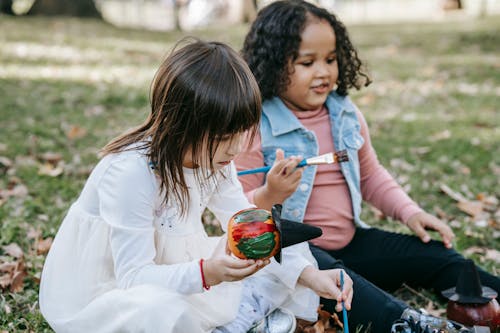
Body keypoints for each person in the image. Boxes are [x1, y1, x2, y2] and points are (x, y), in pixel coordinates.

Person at [39, 38, 353, 333]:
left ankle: (237, 319)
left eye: (242, 133)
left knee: (280, 241)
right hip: (107, 290)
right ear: (180, 126)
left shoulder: (216, 161)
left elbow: (246, 220)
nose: (234, 150)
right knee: (158, 308)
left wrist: (311, 276)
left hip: (173, 267)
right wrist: (207, 273)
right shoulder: (130, 173)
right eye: (221, 139)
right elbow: (133, 278)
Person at [235, 1, 500, 333]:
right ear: (273, 64)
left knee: (436, 255)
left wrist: (410, 212)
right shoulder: (255, 125)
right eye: (307, 62)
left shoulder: (345, 114)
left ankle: (486, 297)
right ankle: (408, 324)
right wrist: (269, 193)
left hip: (352, 242)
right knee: (343, 282)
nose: (323, 72)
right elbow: (237, 211)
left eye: (331, 59)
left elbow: (371, 173)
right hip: (297, 259)